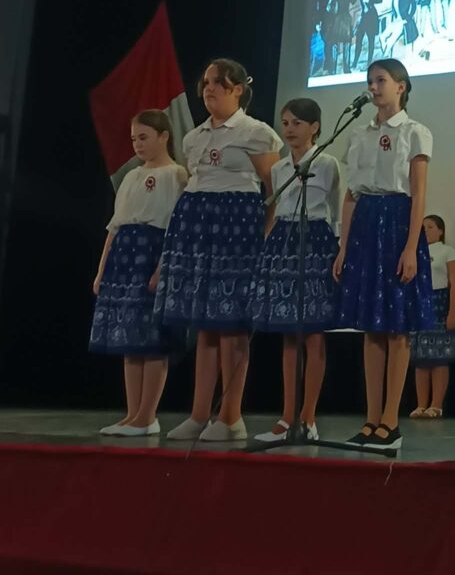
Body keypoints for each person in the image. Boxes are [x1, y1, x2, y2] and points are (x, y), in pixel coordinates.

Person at [154, 58, 281, 441]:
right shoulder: (194, 137)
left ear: (237, 89)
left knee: (231, 325)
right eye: (206, 82)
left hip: (237, 230)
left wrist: (264, 236)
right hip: (198, 228)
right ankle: (198, 415)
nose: (209, 88)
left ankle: (230, 417)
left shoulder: (256, 132)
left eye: (218, 83)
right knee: (205, 323)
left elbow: (274, 190)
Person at [334, 58, 433, 450]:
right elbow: (351, 194)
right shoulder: (359, 134)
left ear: (401, 86)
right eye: (369, 81)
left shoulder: (415, 132)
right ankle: (371, 419)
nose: (373, 87)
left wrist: (410, 247)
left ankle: (391, 422)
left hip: (397, 222)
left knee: (396, 326)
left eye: (380, 80)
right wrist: (343, 246)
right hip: (365, 223)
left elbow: (418, 194)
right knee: (370, 327)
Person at [91, 110, 187, 436]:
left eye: (144, 137)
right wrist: (102, 270)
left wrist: (162, 267)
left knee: (152, 339)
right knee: (129, 338)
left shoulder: (176, 175)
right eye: (134, 138)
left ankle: (148, 416)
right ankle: (132, 414)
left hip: (152, 253)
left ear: (164, 136)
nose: (137, 144)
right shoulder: (131, 176)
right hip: (124, 256)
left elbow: (176, 228)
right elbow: (114, 227)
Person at [252, 99, 340, 443]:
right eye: (285, 122)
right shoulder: (278, 169)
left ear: (315, 127)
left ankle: (308, 418)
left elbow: (336, 210)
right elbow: (276, 209)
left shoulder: (328, 163)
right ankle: (287, 416)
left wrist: (339, 250)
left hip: (316, 240)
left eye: (297, 123)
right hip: (284, 241)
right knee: (288, 333)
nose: (289, 129)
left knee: (313, 333)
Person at [409, 215, 455, 419]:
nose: (425, 230)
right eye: (422, 227)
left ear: (440, 231)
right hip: (419, 304)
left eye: (430, 227)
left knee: (439, 358)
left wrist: (452, 312)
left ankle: (436, 405)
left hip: (439, 303)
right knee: (420, 358)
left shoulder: (448, 252)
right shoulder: (414, 251)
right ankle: (421, 404)